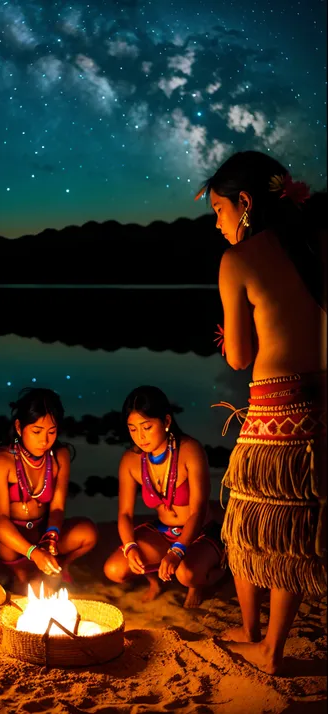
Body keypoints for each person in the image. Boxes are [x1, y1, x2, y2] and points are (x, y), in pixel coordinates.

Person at [197, 150, 326, 674]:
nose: (218, 223)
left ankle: (268, 648)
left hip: (276, 408)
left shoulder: (239, 260)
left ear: (245, 202)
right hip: (321, 405)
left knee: (251, 520)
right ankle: (258, 634)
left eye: (220, 211)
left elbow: (240, 358)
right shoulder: (317, 244)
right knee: (292, 523)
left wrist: (231, 337)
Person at [103, 385, 225, 608]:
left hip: (200, 531)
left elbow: (197, 510)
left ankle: (213, 576)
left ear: (166, 422)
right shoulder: (131, 460)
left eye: (147, 427)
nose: (140, 437)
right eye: (132, 429)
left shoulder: (190, 450)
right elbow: (125, 513)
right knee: (115, 569)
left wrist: (177, 551)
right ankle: (155, 582)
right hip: (163, 531)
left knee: (187, 575)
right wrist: (130, 546)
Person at [0, 387, 98, 593]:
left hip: (43, 531)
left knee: (87, 533)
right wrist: (33, 552)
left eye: (51, 432)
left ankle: (59, 565)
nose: (44, 440)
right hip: (12, 537)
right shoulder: (2, 460)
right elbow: (0, 519)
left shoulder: (59, 456)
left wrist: (50, 538)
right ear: (19, 427)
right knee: (10, 554)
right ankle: (22, 572)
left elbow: (58, 508)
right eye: (36, 431)